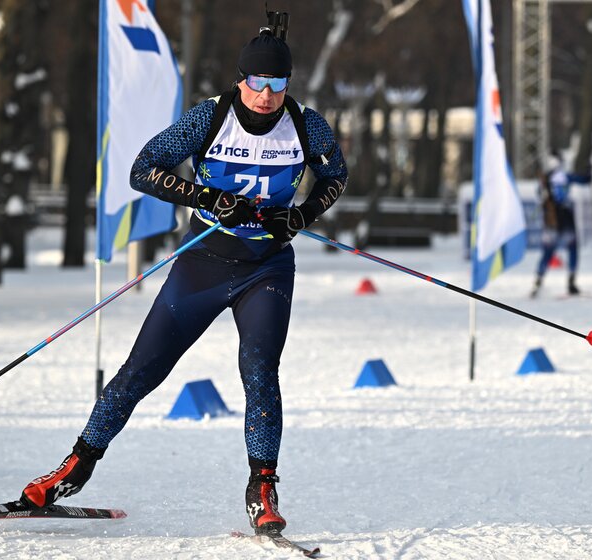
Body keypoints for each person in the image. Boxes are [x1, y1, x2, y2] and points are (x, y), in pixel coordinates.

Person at [20, 27, 348, 535]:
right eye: (259, 81)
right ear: (241, 80)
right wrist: (207, 197)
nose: (268, 95)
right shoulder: (209, 117)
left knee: (260, 371)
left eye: (278, 83)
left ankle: (262, 487)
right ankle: (77, 464)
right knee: (139, 371)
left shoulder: (306, 124)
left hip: (267, 267)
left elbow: (335, 176)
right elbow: (142, 170)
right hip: (202, 264)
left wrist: (302, 216)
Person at [531, 154, 591, 297]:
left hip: (550, 220)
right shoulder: (563, 176)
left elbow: (539, 194)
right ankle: (571, 283)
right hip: (565, 217)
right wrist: (589, 171)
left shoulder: (544, 179)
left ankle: (538, 282)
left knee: (547, 252)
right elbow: (584, 180)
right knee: (572, 248)